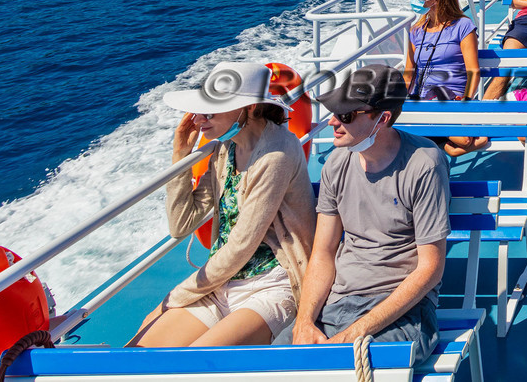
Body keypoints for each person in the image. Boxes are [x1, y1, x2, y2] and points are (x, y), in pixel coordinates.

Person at [132, 61, 316, 348]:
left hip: (271, 283)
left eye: (210, 111)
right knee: (140, 350)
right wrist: (180, 155)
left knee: (194, 362)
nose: (199, 119)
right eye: (199, 110)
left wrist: (176, 297)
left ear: (249, 108)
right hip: (223, 280)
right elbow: (181, 225)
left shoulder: (276, 154)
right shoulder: (225, 149)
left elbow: (241, 246)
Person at [293, 66, 449, 370]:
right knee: (275, 362)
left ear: (383, 118)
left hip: (402, 310)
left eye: (346, 115)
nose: (333, 121)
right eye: (334, 112)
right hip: (338, 302)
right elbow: (323, 253)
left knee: (343, 369)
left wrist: (359, 330)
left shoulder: (424, 164)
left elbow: (430, 267)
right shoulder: (336, 164)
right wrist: (304, 321)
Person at [404, 0, 488, 156]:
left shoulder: (462, 26)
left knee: (463, 140)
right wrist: (397, 100)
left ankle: (439, 136)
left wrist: (466, 103)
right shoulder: (416, 30)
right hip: (423, 100)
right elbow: (409, 72)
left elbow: (473, 71)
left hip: (452, 98)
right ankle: (444, 144)